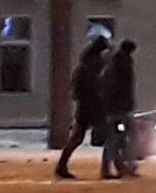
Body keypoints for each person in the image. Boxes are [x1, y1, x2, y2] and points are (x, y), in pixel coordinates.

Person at [55, 36, 110, 180]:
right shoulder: (93, 67)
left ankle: (62, 164)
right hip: (91, 107)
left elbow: (78, 89)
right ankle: (111, 168)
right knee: (108, 137)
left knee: (77, 138)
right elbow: (93, 87)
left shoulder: (84, 66)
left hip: (85, 107)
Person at [100, 39, 139, 179]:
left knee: (118, 138)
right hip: (119, 109)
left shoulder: (115, 63)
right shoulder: (123, 64)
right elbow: (122, 87)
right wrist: (125, 103)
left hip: (115, 108)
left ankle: (120, 167)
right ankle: (122, 167)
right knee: (119, 138)